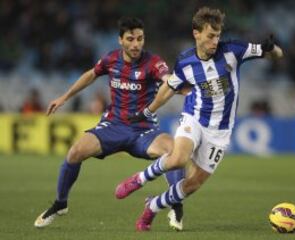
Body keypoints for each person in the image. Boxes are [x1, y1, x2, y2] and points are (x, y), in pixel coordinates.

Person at [115, 7, 283, 231]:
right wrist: (148, 110)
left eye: (218, 35)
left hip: (220, 131)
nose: (215, 41)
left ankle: (153, 206)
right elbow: (169, 88)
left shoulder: (234, 50)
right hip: (194, 117)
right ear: (197, 33)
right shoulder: (185, 61)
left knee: (192, 184)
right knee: (177, 158)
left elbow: (276, 54)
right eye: (210, 35)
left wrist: (271, 49)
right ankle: (139, 179)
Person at [34, 17, 186, 231]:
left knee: (174, 151)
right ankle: (60, 203)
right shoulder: (111, 59)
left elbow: (167, 79)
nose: (136, 44)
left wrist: (180, 86)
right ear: (120, 40)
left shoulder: (154, 62)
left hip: (143, 130)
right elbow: (90, 75)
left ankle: (175, 204)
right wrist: (64, 97)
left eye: (140, 39)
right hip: (113, 126)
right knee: (75, 152)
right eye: (130, 39)